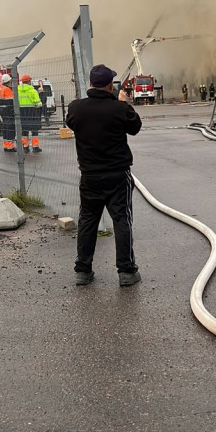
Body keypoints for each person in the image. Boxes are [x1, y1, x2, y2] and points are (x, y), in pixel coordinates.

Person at [66, 64, 142, 287]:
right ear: (110, 85)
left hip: (89, 176)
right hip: (118, 175)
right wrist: (123, 102)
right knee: (122, 220)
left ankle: (83, 270)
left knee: (87, 220)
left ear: (91, 83)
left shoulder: (75, 108)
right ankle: (126, 271)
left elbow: (71, 123)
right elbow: (135, 127)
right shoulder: (119, 109)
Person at [17, 74, 43, 152]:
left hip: (21, 112)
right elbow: (38, 104)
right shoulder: (33, 91)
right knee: (34, 130)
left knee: (24, 130)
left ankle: (25, 147)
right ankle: (35, 147)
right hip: (32, 112)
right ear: (29, 81)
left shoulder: (17, 90)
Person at [0, 74, 16, 152]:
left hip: (2, 110)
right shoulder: (7, 89)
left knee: (5, 128)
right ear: (8, 81)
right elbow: (12, 101)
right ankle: (10, 147)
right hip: (8, 111)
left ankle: (5, 145)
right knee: (10, 128)